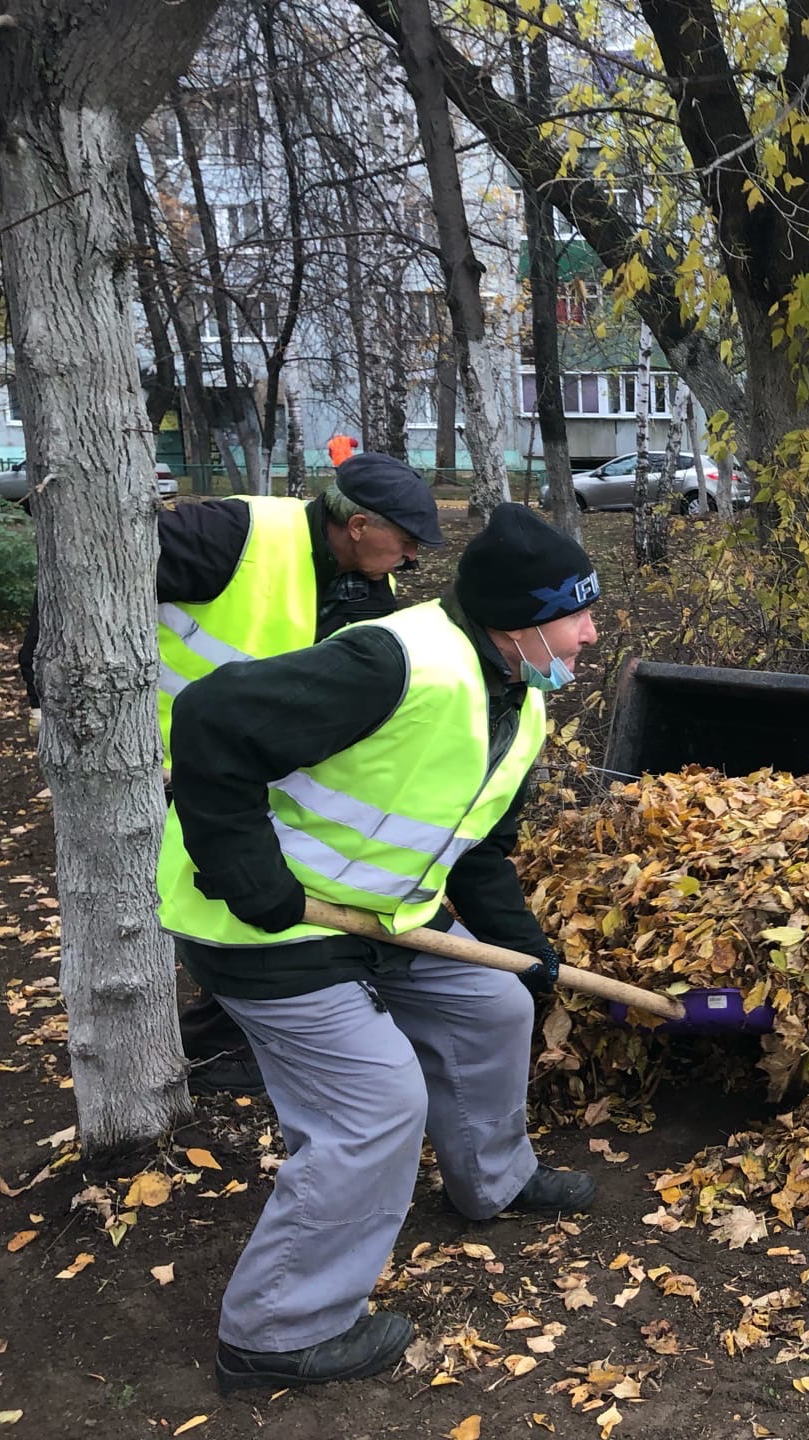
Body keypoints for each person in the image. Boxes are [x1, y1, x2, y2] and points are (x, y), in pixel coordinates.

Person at [157, 503, 602, 1393]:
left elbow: (478, 851)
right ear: (518, 622)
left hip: (385, 919)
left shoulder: (520, 700)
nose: (592, 633)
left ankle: (492, 1182)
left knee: (494, 1005)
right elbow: (211, 719)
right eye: (576, 614)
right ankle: (277, 1331)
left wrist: (524, 948)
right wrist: (252, 876)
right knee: (375, 1105)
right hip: (267, 927)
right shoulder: (396, 663)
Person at [17, 453, 444, 1097]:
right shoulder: (232, 537)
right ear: (358, 525)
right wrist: (47, 696)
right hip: (144, 762)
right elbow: (83, 582)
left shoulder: (364, 587)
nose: (411, 559)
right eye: (406, 542)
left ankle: (221, 1040)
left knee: (239, 890)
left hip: (242, 769)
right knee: (150, 908)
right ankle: (142, 1052)